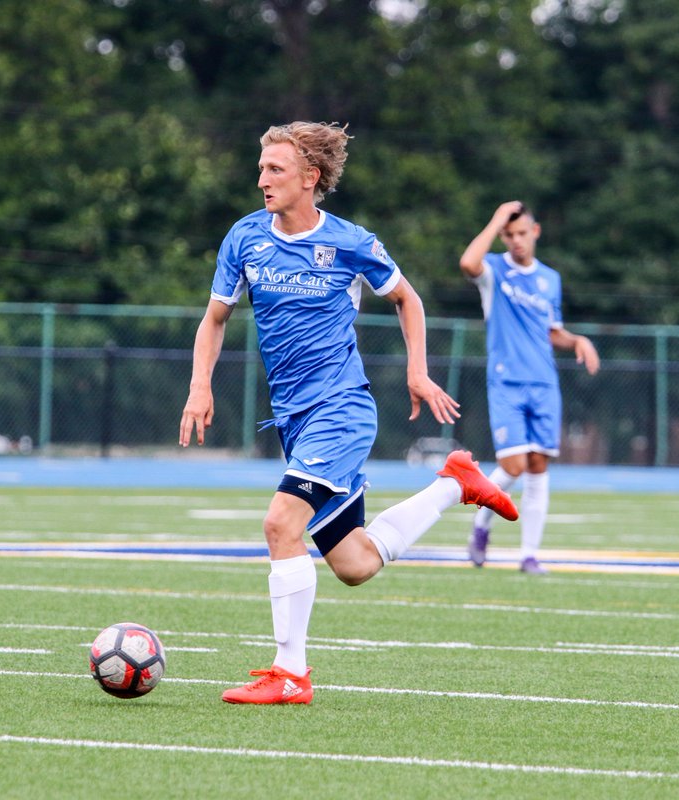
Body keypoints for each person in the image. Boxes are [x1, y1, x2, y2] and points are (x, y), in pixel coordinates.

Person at [179, 122, 518, 705]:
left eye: (275, 169)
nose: (262, 180)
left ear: (310, 177)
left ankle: (290, 674)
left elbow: (407, 298)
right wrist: (198, 387)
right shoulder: (244, 238)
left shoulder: (350, 242)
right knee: (355, 563)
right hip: (293, 420)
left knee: (280, 524)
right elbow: (215, 319)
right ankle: (454, 484)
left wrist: (417, 371)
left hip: (340, 409)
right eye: (261, 169)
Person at [459, 201, 600, 574]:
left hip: (544, 383)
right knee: (514, 464)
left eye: (522, 233)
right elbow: (468, 263)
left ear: (535, 232)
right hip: (507, 382)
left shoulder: (550, 279)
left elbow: (552, 332)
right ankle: (481, 525)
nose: (516, 240)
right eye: (509, 235)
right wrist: (496, 219)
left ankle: (529, 555)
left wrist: (577, 340)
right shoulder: (494, 270)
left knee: (538, 466)